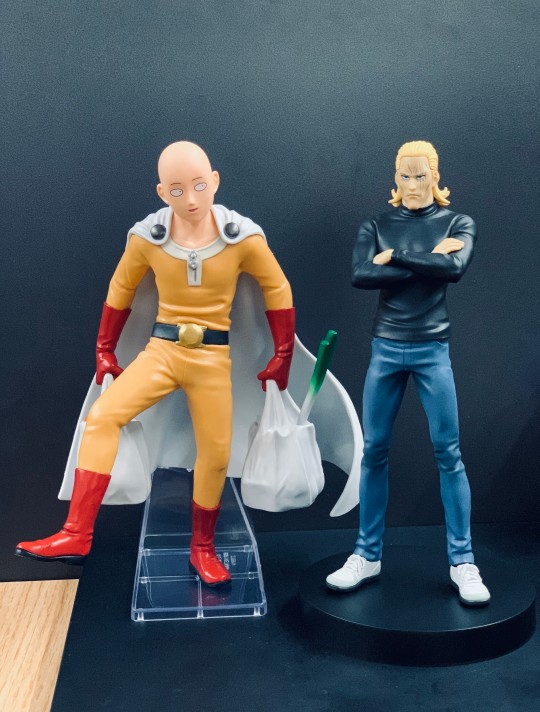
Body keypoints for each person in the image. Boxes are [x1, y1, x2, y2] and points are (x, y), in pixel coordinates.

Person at [16, 141, 295, 587]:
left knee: (216, 453)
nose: (191, 199)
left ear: (215, 181)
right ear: (162, 192)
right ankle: (76, 534)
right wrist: (104, 348)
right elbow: (120, 289)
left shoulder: (241, 236)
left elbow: (277, 288)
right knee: (102, 417)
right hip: (162, 351)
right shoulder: (149, 236)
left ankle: (202, 548)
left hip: (211, 357)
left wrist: (283, 354)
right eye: (178, 189)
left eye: (199, 185)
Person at [326, 140, 490, 606]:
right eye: (406, 176)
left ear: (436, 176)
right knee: (374, 451)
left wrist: (393, 257)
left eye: (421, 176)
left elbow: (454, 269)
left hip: (432, 349)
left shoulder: (458, 223)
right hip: (386, 347)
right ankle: (366, 554)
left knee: (449, 452)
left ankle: (462, 561)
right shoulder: (377, 224)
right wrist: (428, 260)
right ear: (395, 178)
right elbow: (361, 275)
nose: (414, 184)